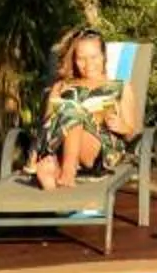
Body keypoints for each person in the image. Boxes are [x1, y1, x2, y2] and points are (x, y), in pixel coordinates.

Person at [29, 30, 137, 189]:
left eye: (94, 57)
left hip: (97, 151)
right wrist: (64, 111)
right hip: (60, 146)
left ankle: (63, 172)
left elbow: (132, 134)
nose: (88, 64)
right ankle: (60, 173)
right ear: (74, 59)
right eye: (81, 58)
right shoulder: (61, 86)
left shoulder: (121, 86)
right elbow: (47, 124)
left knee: (73, 110)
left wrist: (122, 126)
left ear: (103, 56)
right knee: (71, 111)